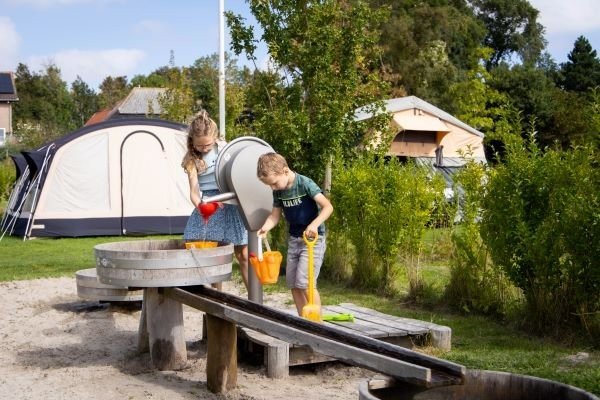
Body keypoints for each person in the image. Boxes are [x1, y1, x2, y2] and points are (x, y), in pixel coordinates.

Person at [256, 152, 333, 316]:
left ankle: (317, 323)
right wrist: (266, 227)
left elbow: (328, 207)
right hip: (294, 240)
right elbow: (275, 216)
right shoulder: (278, 191)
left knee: (305, 283)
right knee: (293, 284)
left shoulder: (305, 184)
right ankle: (302, 321)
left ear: (285, 171)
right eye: (270, 185)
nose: (273, 188)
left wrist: (314, 225)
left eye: (274, 183)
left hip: (312, 240)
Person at [181, 110, 248, 290]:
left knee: (243, 254)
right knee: (214, 254)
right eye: (200, 146)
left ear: (215, 138)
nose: (204, 149)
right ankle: (218, 295)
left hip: (231, 200)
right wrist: (201, 206)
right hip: (211, 204)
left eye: (208, 145)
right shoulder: (191, 159)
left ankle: (255, 300)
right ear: (192, 142)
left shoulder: (225, 149)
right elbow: (194, 191)